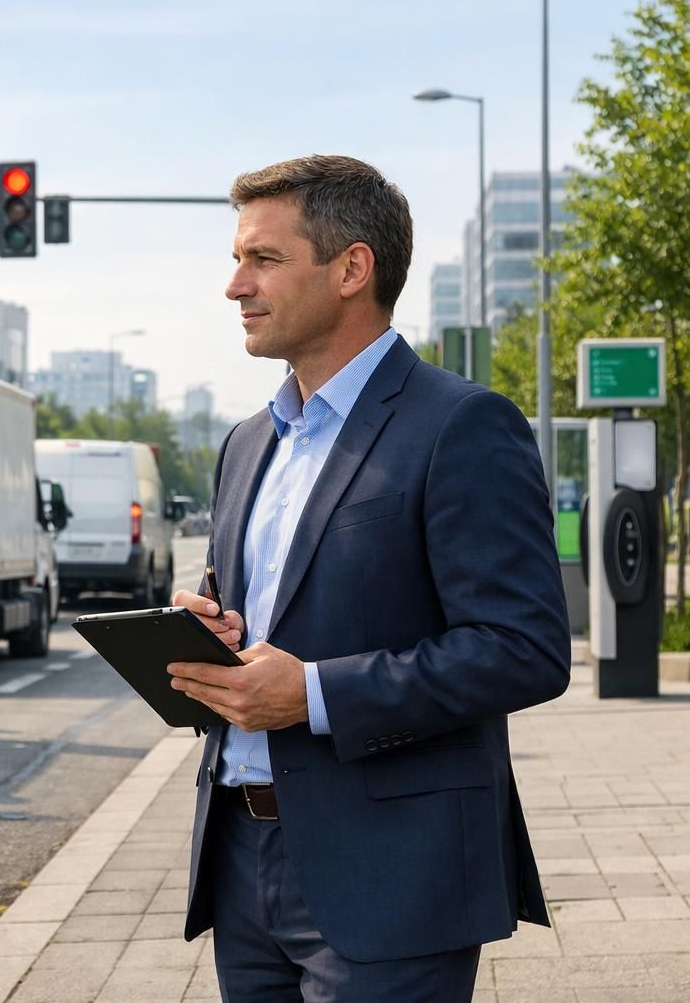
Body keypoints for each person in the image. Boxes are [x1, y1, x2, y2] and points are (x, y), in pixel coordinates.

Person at [166, 155, 571, 1001]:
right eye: (237, 260)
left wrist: (312, 693)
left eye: (264, 260)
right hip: (239, 862)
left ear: (353, 268)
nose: (235, 285)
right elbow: (272, 619)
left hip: (392, 876)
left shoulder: (461, 425)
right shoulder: (248, 441)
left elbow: (525, 649)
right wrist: (213, 636)